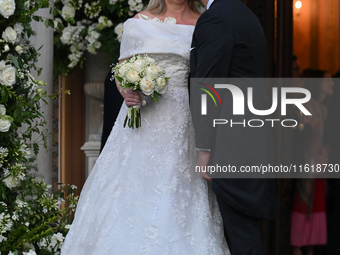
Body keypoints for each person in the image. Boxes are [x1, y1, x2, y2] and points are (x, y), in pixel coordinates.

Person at [61, 0, 230, 254]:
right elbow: (122, 70)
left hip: (185, 120)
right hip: (143, 123)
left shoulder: (204, 21)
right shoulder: (138, 23)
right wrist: (128, 90)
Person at [190, 0, 276, 254]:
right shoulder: (246, 16)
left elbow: (207, 85)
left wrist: (204, 148)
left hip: (231, 139)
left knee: (239, 232)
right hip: (251, 132)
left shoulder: (216, 18)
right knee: (244, 228)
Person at [291, 69, 334, 255]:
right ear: (317, 84)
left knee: (316, 203)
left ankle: (309, 247)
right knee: (303, 202)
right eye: (327, 82)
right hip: (307, 161)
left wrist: (325, 153)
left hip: (319, 162)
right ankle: (297, 247)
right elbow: (299, 133)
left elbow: (326, 138)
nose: (332, 84)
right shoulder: (306, 105)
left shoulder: (325, 108)